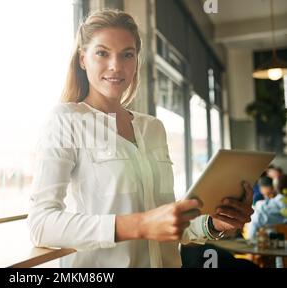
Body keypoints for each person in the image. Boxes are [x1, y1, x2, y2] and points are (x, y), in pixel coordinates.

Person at [27, 9, 254, 268]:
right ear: (82, 59)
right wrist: (139, 225)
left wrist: (213, 224)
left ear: (136, 60)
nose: (116, 65)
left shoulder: (153, 128)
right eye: (102, 53)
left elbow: (166, 220)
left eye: (127, 54)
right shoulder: (67, 120)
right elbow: (41, 224)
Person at [248, 174, 287, 239]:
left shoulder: (281, 198)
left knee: (256, 218)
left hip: (275, 222)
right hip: (274, 222)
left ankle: (251, 240)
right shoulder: (279, 198)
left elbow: (262, 206)